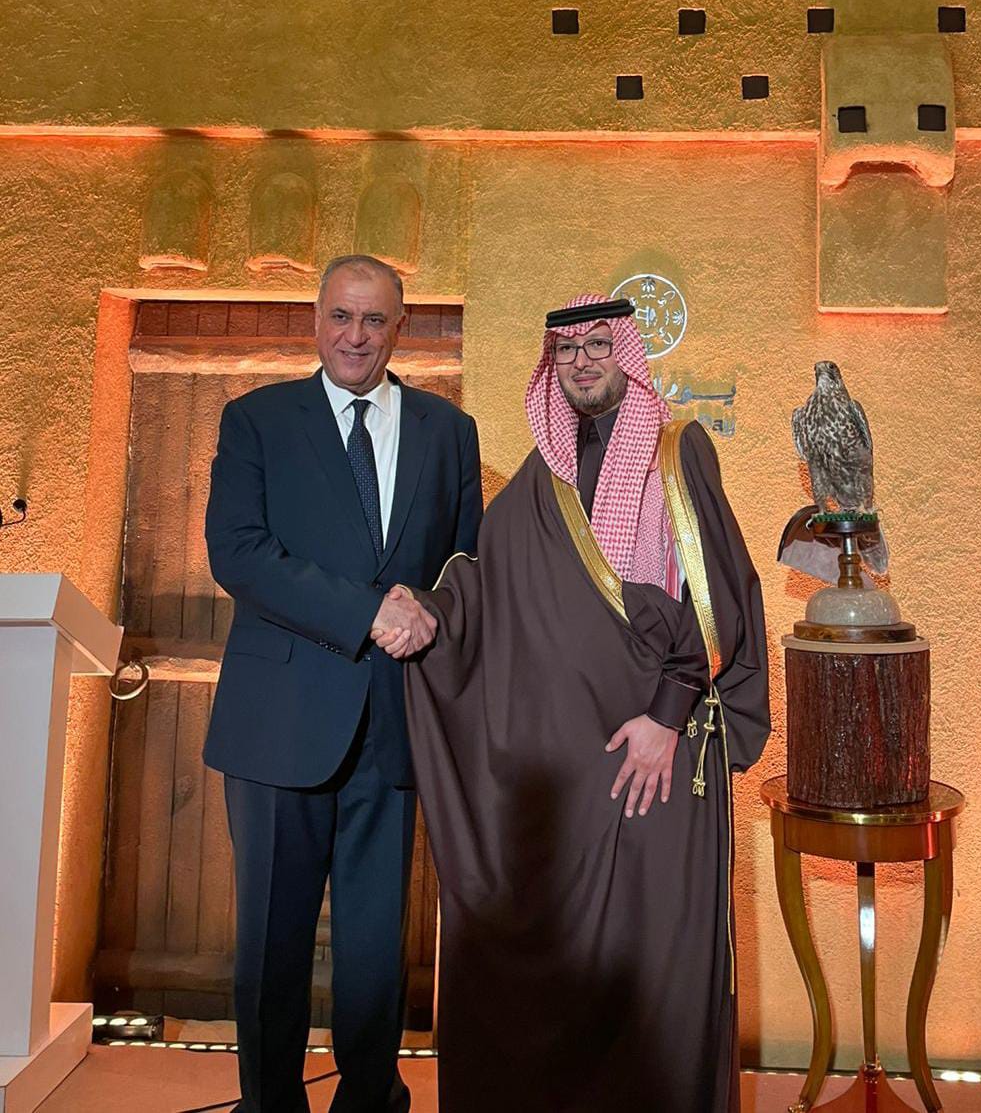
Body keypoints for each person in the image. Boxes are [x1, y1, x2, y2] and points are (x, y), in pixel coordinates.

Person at [377, 293, 770, 1113]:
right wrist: (432, 611)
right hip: (567, 773)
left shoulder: (676, 452)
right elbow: (489, 590)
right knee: (556, 971)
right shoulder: (538, 480)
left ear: (625, 353)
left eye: (598, 344)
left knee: (650, 972)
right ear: (550, 365)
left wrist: (666, 716)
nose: (583, 361)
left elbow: (719, 599)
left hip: (652, 764)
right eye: (567, 350)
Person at [204, 254, 483, 1113]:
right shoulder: (255, 420)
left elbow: (467, 561)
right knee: (271, 943)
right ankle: (269, 1103)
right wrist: (369, 611)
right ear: (315, 318)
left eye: (372, 319)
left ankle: (370, 1100)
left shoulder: (449, 430)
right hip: (277, 723)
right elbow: (238, 553)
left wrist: (429, 609)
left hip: (395, 723)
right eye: (339, 316)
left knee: (374, 948)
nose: (354, 335)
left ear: (401, 325)